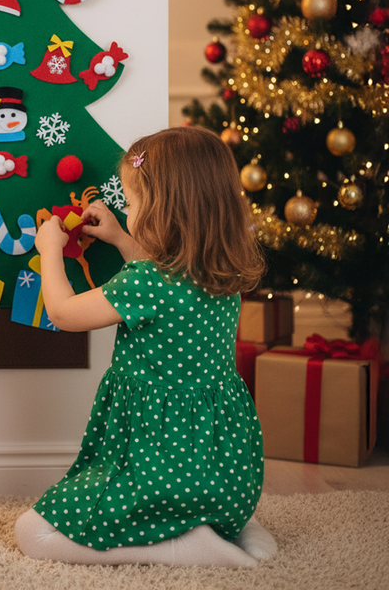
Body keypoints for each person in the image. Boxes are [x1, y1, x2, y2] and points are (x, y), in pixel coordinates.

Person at [15, 126, 277, 568]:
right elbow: (161, 282)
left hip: (161, 473)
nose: (128, 209)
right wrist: (119, 238)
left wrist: (50, 250)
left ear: (162, 210)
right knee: (215, 501)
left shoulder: (147, 282)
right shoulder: (222, 273)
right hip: (227, 476)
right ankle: (234, 525)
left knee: (32, 532)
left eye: (132, 203)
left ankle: (181, 546)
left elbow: (63, 313)